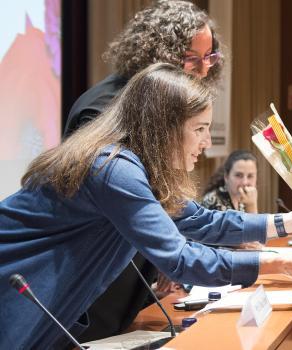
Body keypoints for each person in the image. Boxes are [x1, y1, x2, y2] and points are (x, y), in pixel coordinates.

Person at [0, 63, 292, 349]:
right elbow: (180, 259)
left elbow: (201, 221)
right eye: (200, 129)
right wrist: (280, 260)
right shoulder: (113, 168)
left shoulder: (133, 166)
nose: (207, 142)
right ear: (164, 129)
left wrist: (288, 223)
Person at [62, 1, 226, 341]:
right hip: (96, 281)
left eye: (209, 58)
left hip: (131, 271)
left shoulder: (157, 107)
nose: (202, 71)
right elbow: (135, 205)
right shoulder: (103, 111)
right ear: (158, 54)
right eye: (191, 59)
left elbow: (172, 207)